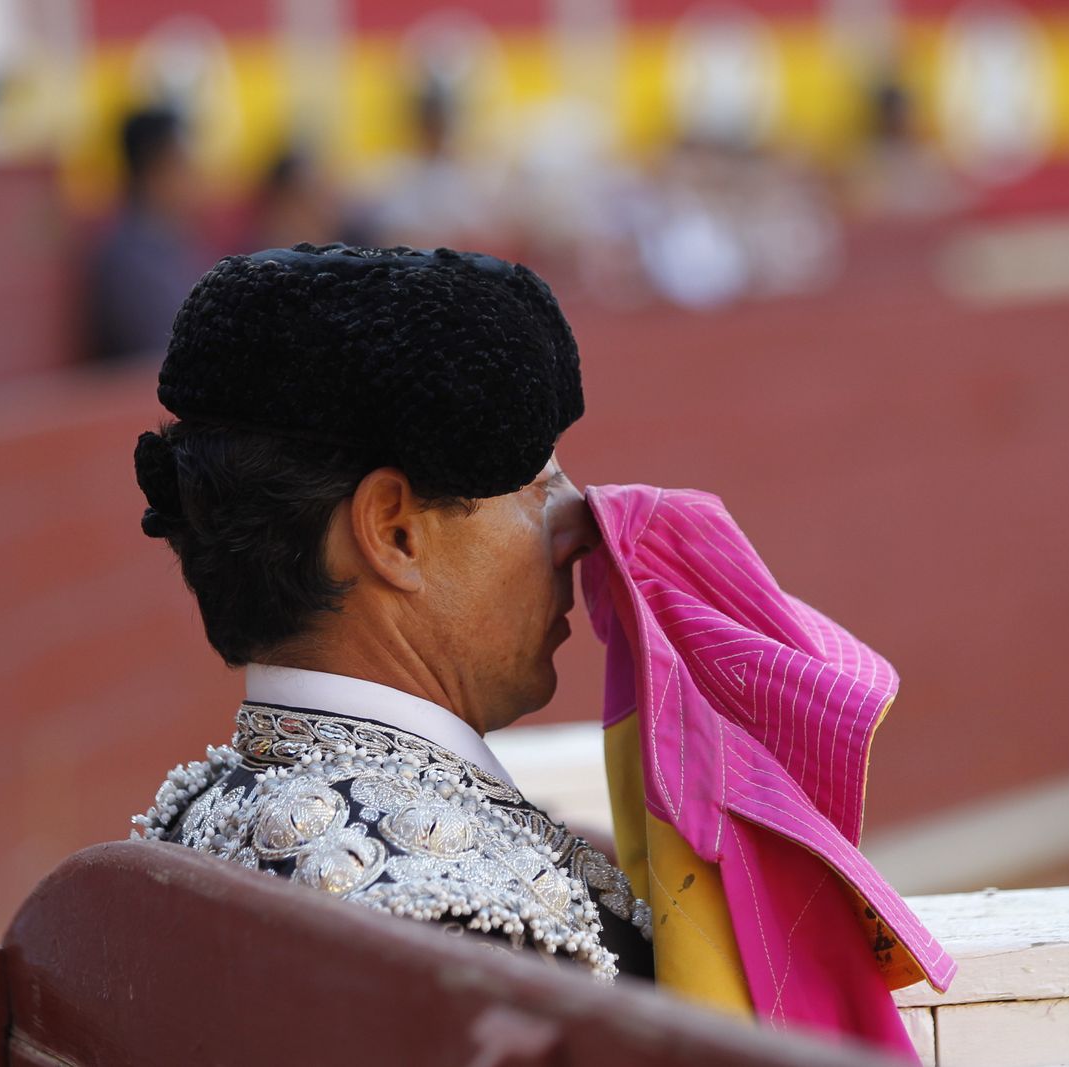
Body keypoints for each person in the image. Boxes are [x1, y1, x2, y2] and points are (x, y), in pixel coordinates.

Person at [129, 243, 653, 981]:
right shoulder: (460, 921)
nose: (585, 526)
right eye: (538, 484)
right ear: (394, 531)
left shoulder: (200, 821)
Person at [86, 105, 205, 362]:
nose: (193, 176)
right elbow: (162, 348)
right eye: (181, 164)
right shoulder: (126, 257)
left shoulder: (179, 240)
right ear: (153, 171)